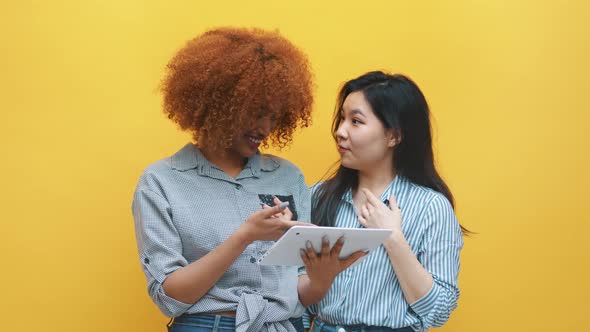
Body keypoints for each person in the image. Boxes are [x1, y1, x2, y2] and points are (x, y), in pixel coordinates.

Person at [132, 27, 316, 332]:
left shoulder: (288, 177)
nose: (266, 127)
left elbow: (298, 282)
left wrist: (326, 272)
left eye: (274, 115)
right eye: (256, 112)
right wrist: (245, 236)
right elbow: (171, 296)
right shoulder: (161, 182)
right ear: (218, 105)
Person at [300, 71, 468, 332]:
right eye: (342, 118)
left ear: (393, 136)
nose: (339, 131)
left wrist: (393, 238)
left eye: (355, 121)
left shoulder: (430, 207)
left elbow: (438, 311)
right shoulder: (317, 196)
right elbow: (294, 293)